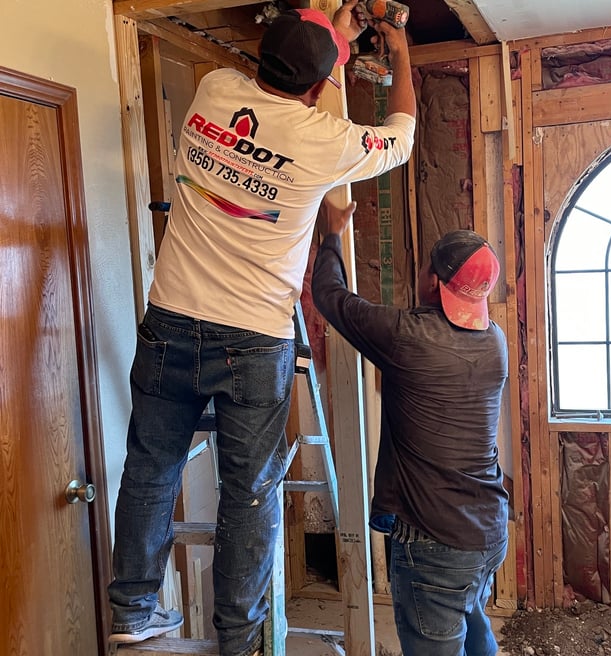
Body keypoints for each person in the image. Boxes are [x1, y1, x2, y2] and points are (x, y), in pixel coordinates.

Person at [107, 3, 416, 655]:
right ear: (316, 88)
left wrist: (336, 29)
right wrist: (401, 48)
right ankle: (239, 639)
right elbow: (403, 134)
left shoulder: (215, 90)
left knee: (149, 465)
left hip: (169, 318)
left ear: (257, 60)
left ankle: (132, 608)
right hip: (252, 338)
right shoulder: (323, 141)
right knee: (249, 493)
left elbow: (292, 69)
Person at [311, 199, 510, 656]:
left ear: (434, 282)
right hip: (486, 532)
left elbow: (331, 297)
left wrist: (333, 234)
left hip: (434, 546)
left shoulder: (408, 336)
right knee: (475, 625)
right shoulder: (494, 341)